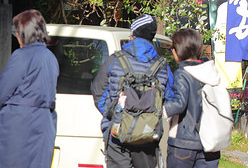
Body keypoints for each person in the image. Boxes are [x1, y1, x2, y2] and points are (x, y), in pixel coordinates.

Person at [92, 14, 175, 168]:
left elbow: (98, 92)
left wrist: (115, 115)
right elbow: (170, 98)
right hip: (148, 136)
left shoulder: (115, 60)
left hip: (117, 136)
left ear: (133, 36)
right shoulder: (163, 66)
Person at [0, 9, 59, 168]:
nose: (17, 36)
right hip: (44, 123)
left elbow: (3, 91)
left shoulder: (22, 55)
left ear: (24, 33)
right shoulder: (51, 58)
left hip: (20, 125)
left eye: (17, 32)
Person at [163, 28, 222, 167]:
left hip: (184, 142)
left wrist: (160, 110)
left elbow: (180, 103)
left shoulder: (183, 73)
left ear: (177, 51)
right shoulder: (211, 73)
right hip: (211, 143)